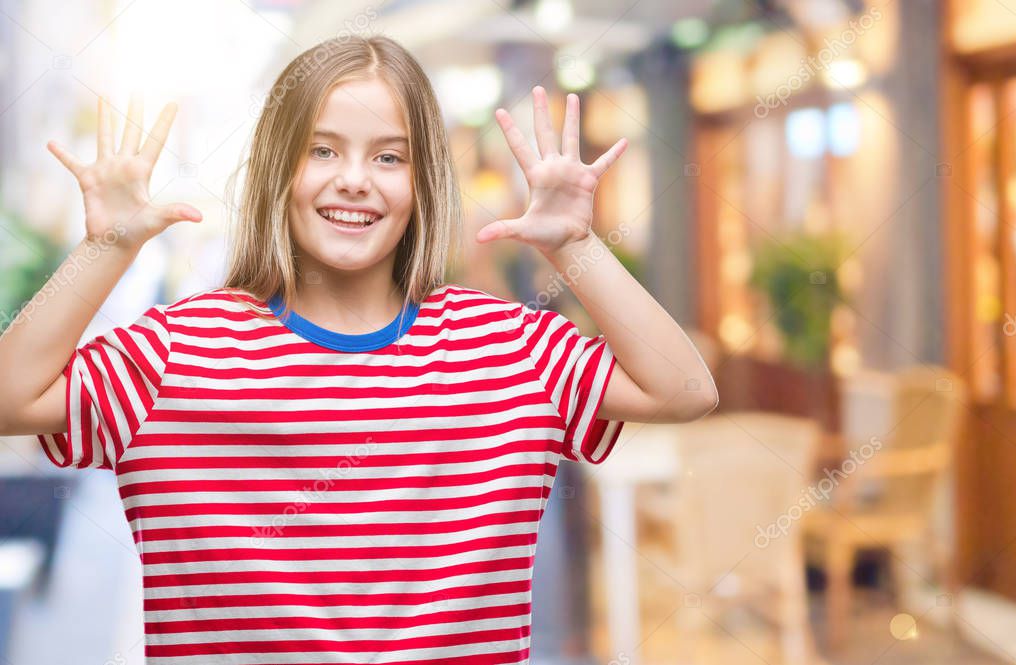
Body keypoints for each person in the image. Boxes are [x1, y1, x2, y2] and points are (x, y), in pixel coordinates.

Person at [0, 35, 717, 664]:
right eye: (322, 150)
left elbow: (685, 389)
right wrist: (106, 247)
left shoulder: (507, 347)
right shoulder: (176, 352)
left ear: (422, 183)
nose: (354, 178)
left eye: (388, 156)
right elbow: (10, 399)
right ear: (279, 173)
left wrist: (577, 246)